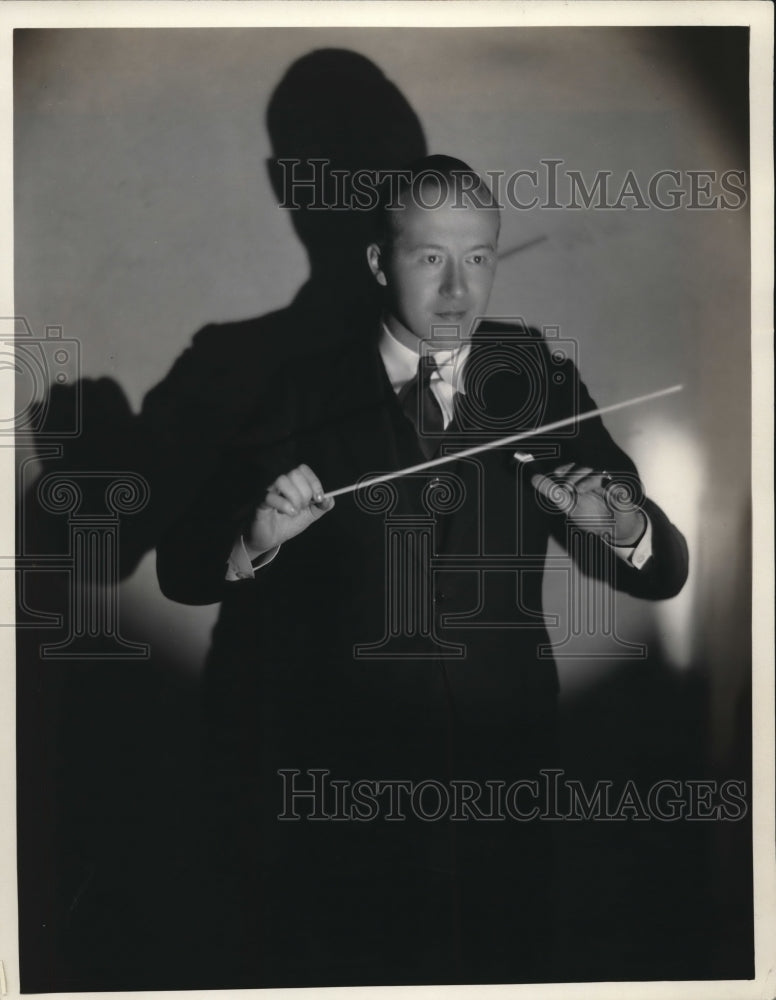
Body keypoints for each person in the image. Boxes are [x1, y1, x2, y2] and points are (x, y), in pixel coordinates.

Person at [155, 155, 688, 987]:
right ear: (379, 261)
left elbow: (665, 570)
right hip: (344, 789)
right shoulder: (300, 388)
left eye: (478, 257)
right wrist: (253, 536)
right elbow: (181, 571)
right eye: (429, 256)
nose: (457, 290)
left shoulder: (537, 377)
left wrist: (623, 524)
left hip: (508, 778)